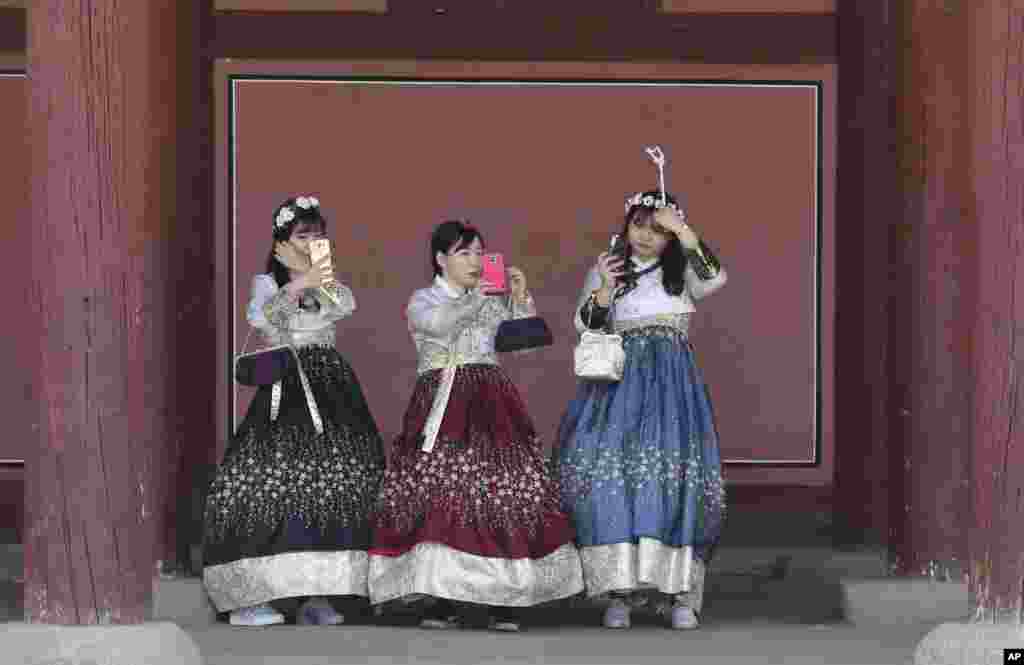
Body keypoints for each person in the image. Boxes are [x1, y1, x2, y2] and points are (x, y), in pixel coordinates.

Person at [368, 220, 583, 632]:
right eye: (465, 252)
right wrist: (479, 298)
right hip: (442, 399)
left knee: (501, 491)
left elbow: (521, 340)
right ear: (440, 259)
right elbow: (442, 326)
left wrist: (519, 300)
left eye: (480, 252)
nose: (475, 261)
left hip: (493, 400)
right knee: (440, 492)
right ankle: (442, 595)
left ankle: (505, 597)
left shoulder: (490, 297)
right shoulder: (423, 299)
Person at [203, 196, 385, 626]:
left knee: (337, 481)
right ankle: (252, 595)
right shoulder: (267, 283)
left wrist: (316, 276)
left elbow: (344, 305)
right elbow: (265, 320)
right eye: (303, 235)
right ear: (282, 241)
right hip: (286, 384)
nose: (313, 241)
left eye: (319, 234)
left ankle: (318, 594)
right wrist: (297, 281)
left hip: (331, 385)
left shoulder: (329, 282)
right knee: (266, 484)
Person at [555, 190, 728, 630]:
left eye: (657, 229)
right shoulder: (609, 266)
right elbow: (586, 325)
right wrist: (605, 289)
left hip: (672, 386)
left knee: (674, 478)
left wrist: (684, 231)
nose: (646, 237)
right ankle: (619, 592)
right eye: (638, 225)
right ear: (625, 225)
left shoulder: (684, 270)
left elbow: (715, 279)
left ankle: (681, 595)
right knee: (612, 477)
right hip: (617, 387)